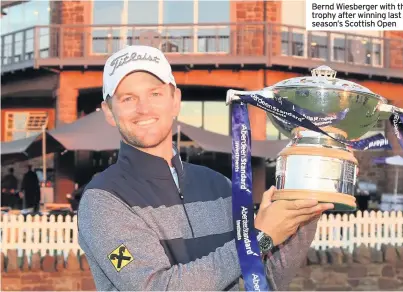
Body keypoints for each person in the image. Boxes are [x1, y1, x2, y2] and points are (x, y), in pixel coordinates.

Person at [77, 45, 334, 291]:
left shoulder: (218, 185)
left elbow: (266, 280)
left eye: (155, 94)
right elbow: (157, 287)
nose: (143, 108)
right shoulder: (103, 200)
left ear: (175, 100)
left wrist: (304, 203)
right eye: (128, 98)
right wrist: (257, 238)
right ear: (109, 112)